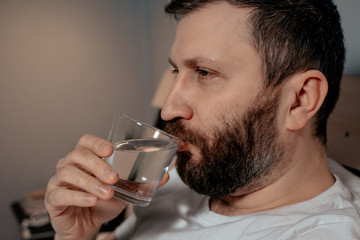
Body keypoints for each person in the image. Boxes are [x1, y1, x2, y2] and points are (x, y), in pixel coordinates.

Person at [45, 0, 360, 239]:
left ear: (299, 100)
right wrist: (76, 234)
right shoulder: (196, 171)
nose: (168, 110)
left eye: (205, 73)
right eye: (175, 71)